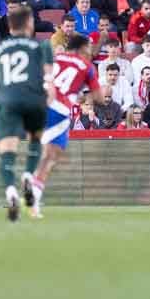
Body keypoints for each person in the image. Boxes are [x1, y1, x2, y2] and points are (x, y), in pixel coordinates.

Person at [0, 5, 54, 223]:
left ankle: (10, 191)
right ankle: (28, 176)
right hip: (34, 99)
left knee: (7, 150)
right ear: (29, 23)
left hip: (8, 100)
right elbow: (48, 76)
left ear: (9, 25)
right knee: (36, 138)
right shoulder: (41, 45)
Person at [27, 33, 100, 218]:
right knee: (50, 157)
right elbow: (99, 97)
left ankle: (32, 191)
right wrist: (86, 95)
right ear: (82, 48)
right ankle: (32, 191)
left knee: (45, 153)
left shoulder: (55, 58)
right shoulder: (87, 66)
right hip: (58, 110)